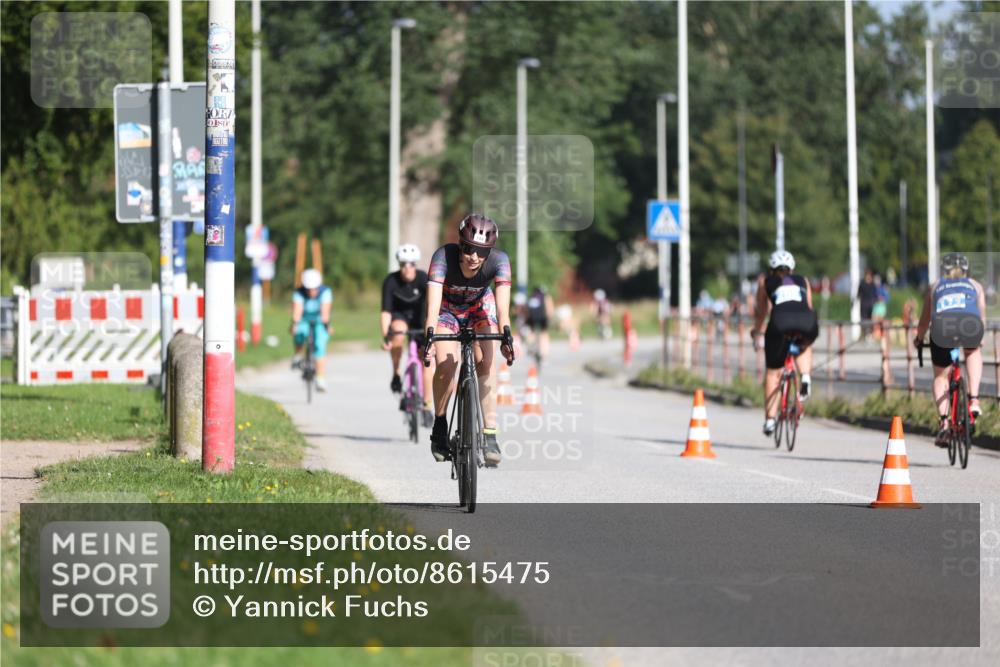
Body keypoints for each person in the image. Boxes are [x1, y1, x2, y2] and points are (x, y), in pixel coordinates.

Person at [424, 214, 515, 465]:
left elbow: (503, 310)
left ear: (490, 252)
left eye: (481, 251)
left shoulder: (500, 261)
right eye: (468, 249)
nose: (474, 257)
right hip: (447, 309)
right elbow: (432, 309)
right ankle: (440, 425)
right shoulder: (442, 257)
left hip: (479, 307)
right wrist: (429, 339)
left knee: (486, 360)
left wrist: (507, 338)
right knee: (446, 364)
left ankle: (490, 433)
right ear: (460, 244)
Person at [913, 253, 986, 444]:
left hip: (942, 328)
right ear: (966, 270)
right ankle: (974, 400)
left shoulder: (935, 286)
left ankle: (944, 425)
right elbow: (981, 316)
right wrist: (980, 338)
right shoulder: (976, 286)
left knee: (940, 377)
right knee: (973, 351)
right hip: (970, 325)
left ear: (943, 270)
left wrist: (919, 339)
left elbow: (924, 321)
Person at [750, 250, 819, 436]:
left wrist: (756, 331)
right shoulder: (803, 281)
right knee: (804, 343)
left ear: (771, 270)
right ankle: (805, 376)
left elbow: (762, 312)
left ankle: (770, 421)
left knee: (773, 373)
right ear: (792, 269)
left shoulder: (765, 282)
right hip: (807, 321)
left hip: (780, 322)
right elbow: (809, 306)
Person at [380, 243, 433, 426]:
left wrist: (432, 335)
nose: (406, 268)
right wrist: (386, 336)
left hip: (421, 320)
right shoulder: (391, 281)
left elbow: (433, 307)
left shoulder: (424, 279)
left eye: (410, 264)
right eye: (403, 264)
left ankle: (427, 405)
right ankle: (396, 374)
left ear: (415, 264)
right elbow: (386, 312)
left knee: (427, 361)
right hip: (400, 317)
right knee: (398, 332)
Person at [291, 268, 333, 392]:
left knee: (320, 345)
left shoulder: (325, 292)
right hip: (303, 319)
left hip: (320, 320)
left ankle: (320, 379)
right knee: (298, 333)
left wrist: (327, 326)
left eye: (314, 288)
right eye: (309, 289)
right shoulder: (299, 293)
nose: (312, 291)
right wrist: (295, 325)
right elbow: (297, 312)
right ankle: (298, 355)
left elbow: (325, 312)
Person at [523, 286, 554, 363]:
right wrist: (549, 318)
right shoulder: (545, 296)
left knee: (532, 332)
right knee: (544, 333)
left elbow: (526, 310)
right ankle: (544, 353)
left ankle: (530, 348)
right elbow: (549, 308)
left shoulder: (531, 297)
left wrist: (526, 319)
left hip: (532, 318)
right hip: (542, 317)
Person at [857, 269, 878, 338]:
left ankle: (870, 333)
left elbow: (875, 294)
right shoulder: (862, 283)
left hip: (870, 304)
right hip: (863, 304)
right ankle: (864, 333)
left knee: (870, 319)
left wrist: (875, 300)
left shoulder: (872, 284)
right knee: (863, 318)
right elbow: (859, 293)